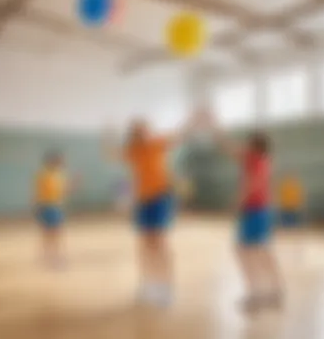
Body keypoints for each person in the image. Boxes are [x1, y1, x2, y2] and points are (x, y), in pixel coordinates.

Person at [104, 117, 197, 307]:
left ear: (149, 131)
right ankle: (148, 283)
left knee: (160, 242)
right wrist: (107, 137)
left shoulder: (157, 143)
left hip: (160, 198)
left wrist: (193, 120)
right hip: (142, 201)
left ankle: (166, 287)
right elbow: (111, 155)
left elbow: (180, 135)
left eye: (143, 130)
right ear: (133, 135)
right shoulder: (133, 151)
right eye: (137, 131)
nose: (141, 133)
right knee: (145, 244)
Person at [205, 113, 284, 313]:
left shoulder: (255, 160)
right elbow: (228, 147)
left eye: (248, 142)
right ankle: (272, 290)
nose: (245, 145)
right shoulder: (261, 159)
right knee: (258, 250)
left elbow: (253, 183)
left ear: (255, 146)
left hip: (254, 210)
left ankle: (258, 292)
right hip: (260, 210)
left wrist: (237, 202)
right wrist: (214, 127)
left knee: (245, 250)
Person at [35, 151, 80, 267]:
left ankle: (52, 257)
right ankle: (51, 258)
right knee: (51, 233)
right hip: (48, 206)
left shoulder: (57, 175)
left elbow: (65, 191)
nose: (61, 162)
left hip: (54, 206)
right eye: (59, 160)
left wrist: (74, 183)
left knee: (54, 233)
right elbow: (45, 192)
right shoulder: (45, 174)